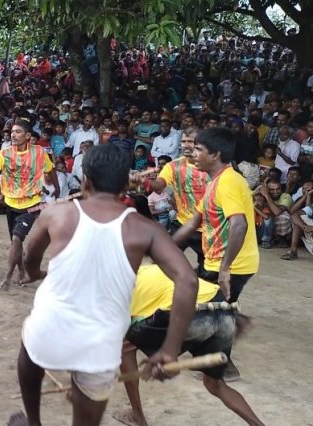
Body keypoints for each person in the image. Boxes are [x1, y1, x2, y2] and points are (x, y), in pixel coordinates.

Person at [10, 143, 198, 426]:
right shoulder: (145, 228)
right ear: (125, 185)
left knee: (30, 349)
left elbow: (29, 256)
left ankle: (33, 422)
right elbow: (188, 280)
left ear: (85, 181)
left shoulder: (57, 213)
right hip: (100, 345)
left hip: (49, 330)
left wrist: (35, 272)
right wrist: (170, 349)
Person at [115, 264, 266, 426]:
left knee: (124, 347)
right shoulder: (148, 268)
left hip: (188, 312)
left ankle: (137, 417)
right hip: (221, 307)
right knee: (215, 384)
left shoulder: (111, 289)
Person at [173, 127, 260, 381]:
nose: (193, 152)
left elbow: (240, 224)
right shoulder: (215, 182)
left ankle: (224, 367)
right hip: (218, 260)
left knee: (209, 313)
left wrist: (225, 268)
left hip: (233, 264)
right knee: (212, 310)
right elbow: (192, 223)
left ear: (216, 154)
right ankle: (235, 323)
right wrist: (164, 246)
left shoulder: (229, 182)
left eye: (199, 149)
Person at [0, 119, 59, 290]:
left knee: (16, 239)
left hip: (31, 205)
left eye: (18, 131)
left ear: (28, 136)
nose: (13, 134)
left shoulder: (39, 153)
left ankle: (8, 277)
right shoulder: (4, 154)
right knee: (15, 242)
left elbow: (50, 169)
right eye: (12, 131)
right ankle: (21, 272)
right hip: (10, 203)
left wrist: (56, 187)